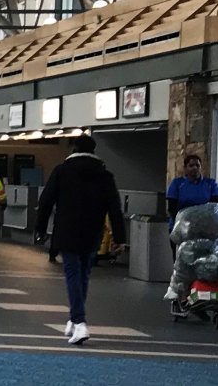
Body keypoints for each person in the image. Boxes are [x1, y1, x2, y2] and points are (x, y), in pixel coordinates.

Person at [34, 135, 126, 346]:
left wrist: (39, 229)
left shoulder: (62, 171)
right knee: (83, 273)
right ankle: (73, 320)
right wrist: (119, 238)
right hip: (93, 231)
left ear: (74, 148)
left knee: (73, 274)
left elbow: (46, 201)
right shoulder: (104, 175)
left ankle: (80, 321)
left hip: (67, 229)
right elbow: (115, 207)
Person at [163, 154, 218, 314]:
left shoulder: (210, 184)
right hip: (181, 231)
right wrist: (185, 225)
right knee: (183, 265)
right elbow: (172, 208)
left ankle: (199, 297)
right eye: (191, 165)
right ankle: (182, 297)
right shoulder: (177, 184)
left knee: (202, 265)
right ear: (185, 168)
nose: (195, 168)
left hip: (204, 232)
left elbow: (215, 206)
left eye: (197, 165)